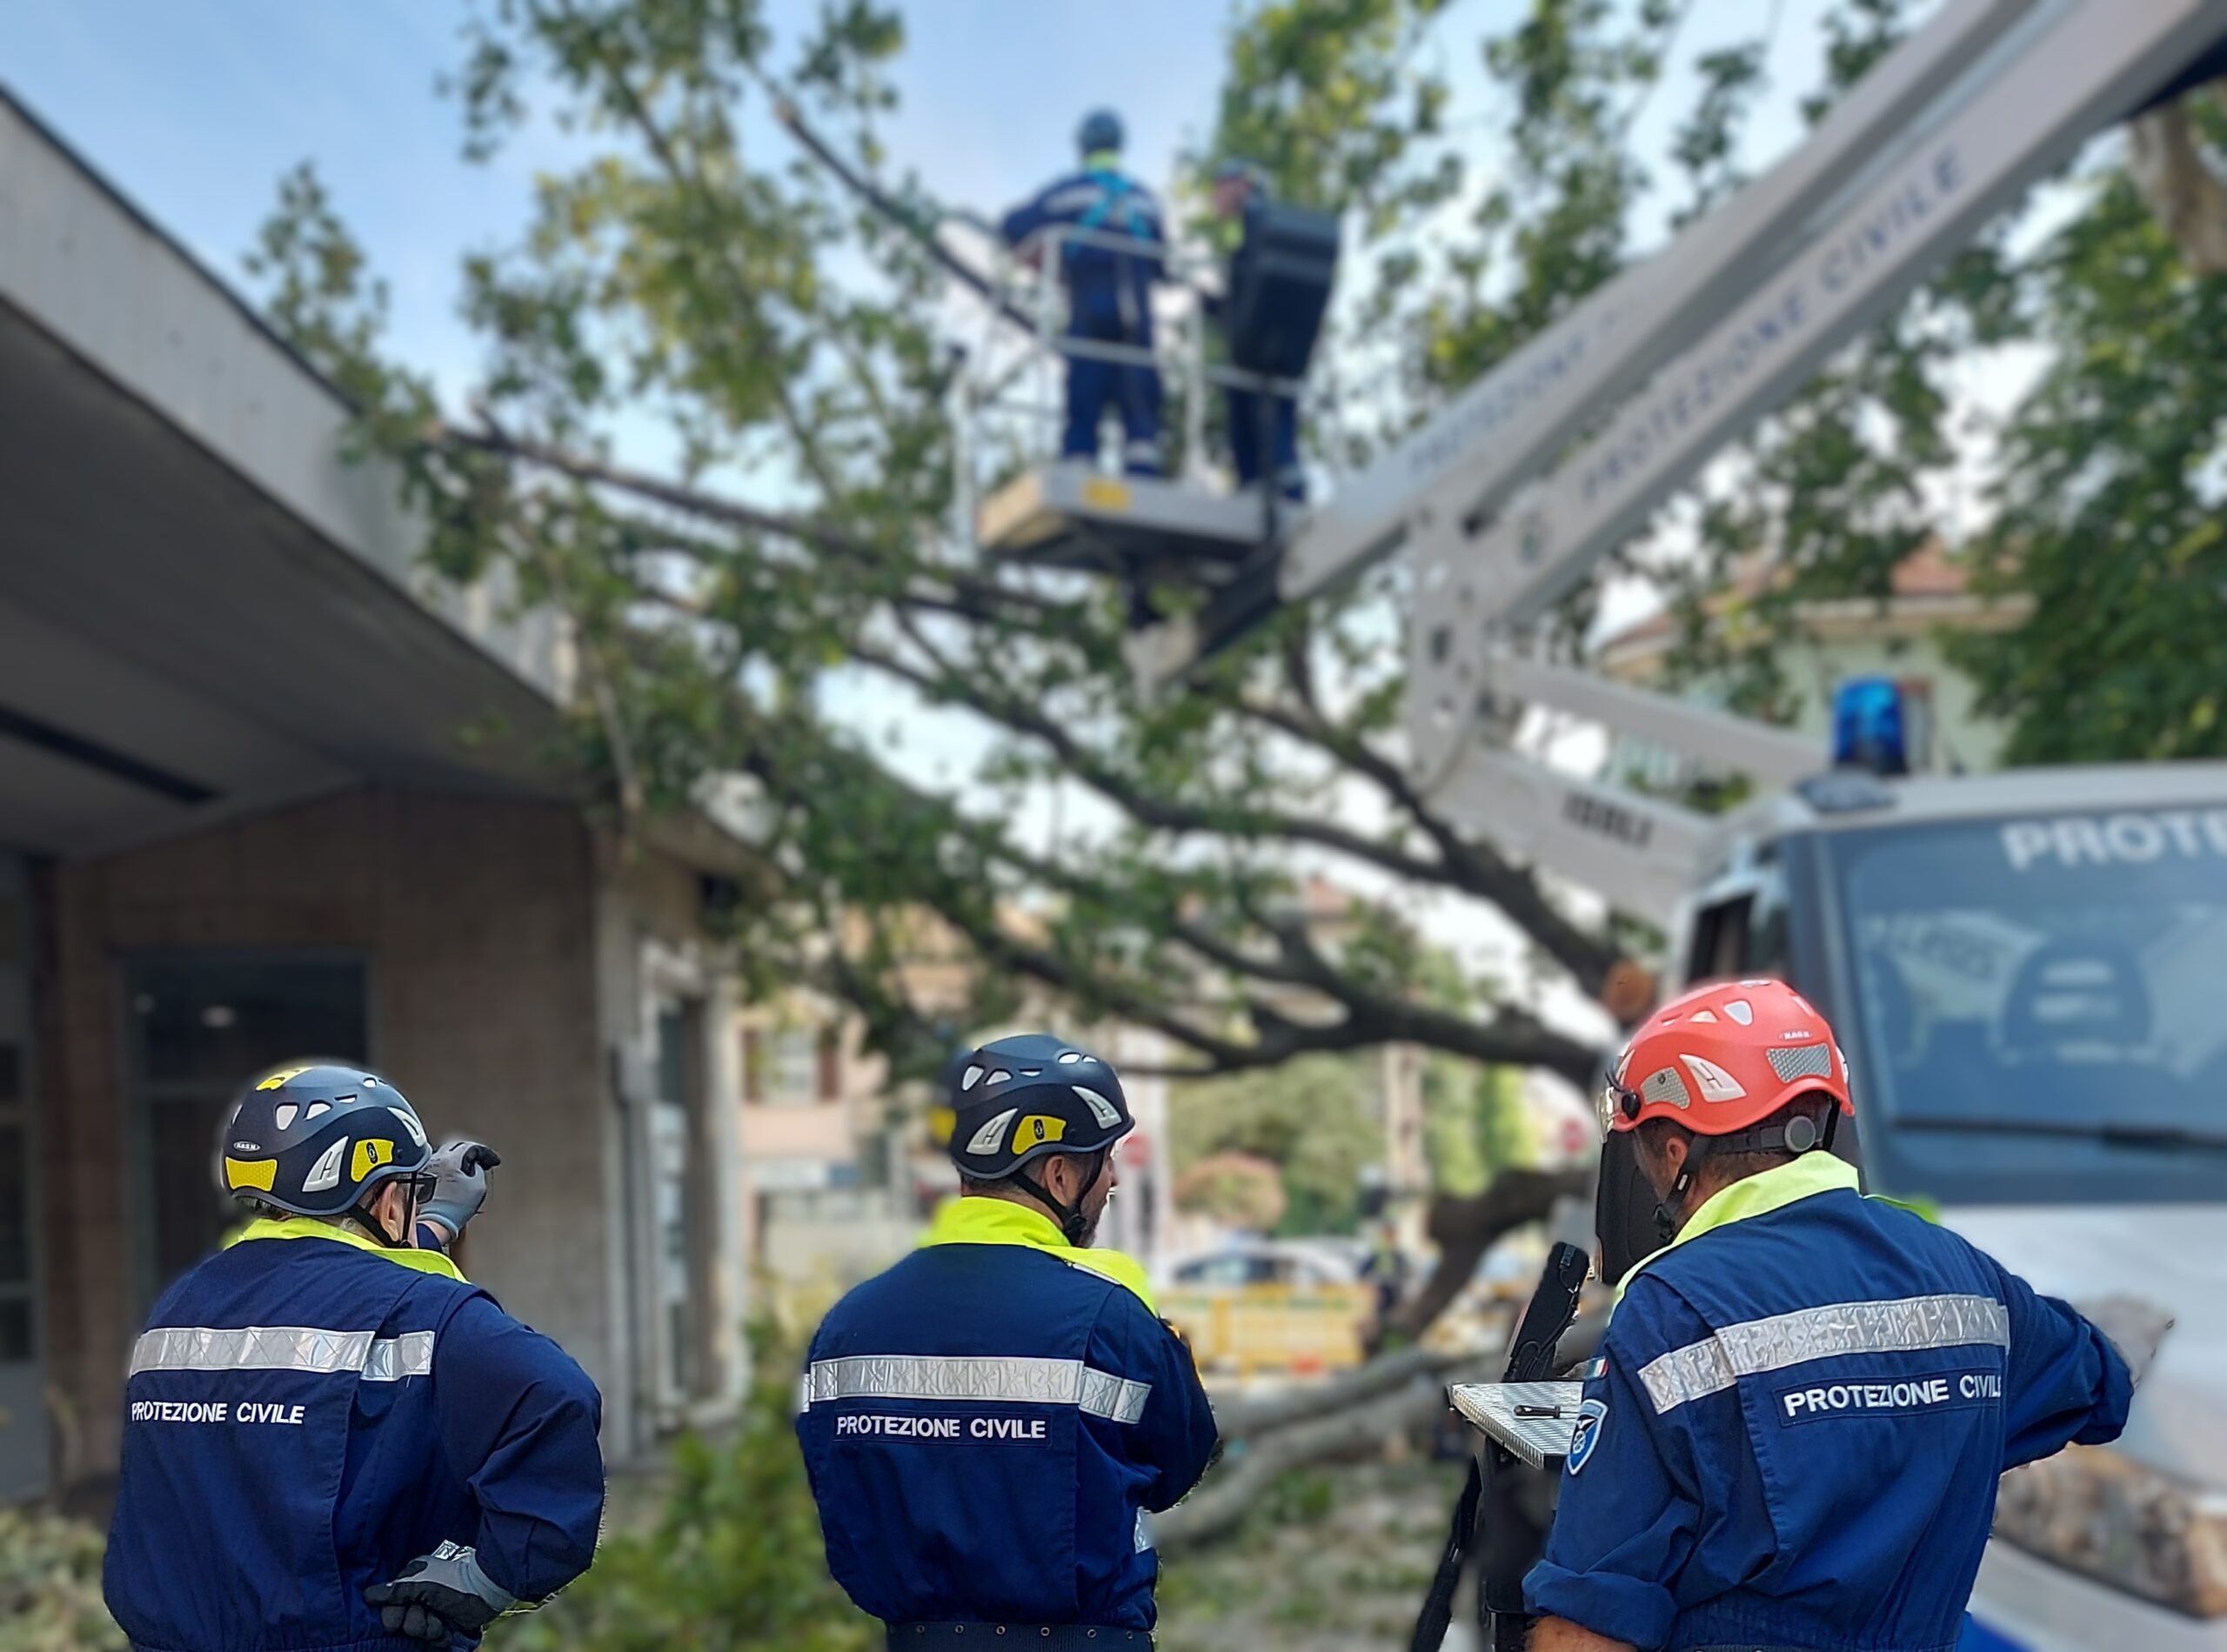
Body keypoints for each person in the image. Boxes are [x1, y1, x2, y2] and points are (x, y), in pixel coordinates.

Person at [1524, 979, 2149, 1652]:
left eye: (1644, 1145)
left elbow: (1588, 1624)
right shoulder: (1968, 1280)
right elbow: (2101, 1387)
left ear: (1677, 1151)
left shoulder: (1669, 1308)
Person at [105, 1063, 605, 1650]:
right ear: (388, 1198)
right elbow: (557, 1397)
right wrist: (489, 1577)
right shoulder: (435, 1317)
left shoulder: (180, 1306)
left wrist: (434, 1224)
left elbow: (321, 1284)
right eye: (410, 1191)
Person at [798, 1033, 1219, 1646]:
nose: (1111, 1185)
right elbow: (1179, 1464)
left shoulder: (845, 1327)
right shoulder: (1110, 1313)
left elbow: (839, 1487)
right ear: (1058, 1172)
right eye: (1105, 1163)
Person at [1002, 110, 1168, 477]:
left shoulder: (1069, 193)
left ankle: (1080, 463)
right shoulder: (1146, 202)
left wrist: (1042, 258)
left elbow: (1013, 224)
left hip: (1090, 308)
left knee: (1084, 392)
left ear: (1083, 147)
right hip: (1136, 320)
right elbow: (1163, 265)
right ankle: (1144, 470)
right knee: (1140, 402)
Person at [1207, 158, 1307, 503]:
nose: (1215, 196)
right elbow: (1244, 299)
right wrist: (1208, 303)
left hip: (1261, 351)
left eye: (1221, 186)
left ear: (1242, 185)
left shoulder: (1260, 224)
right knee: (1261, 419)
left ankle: (1274, 490)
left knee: (1264, 421)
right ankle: (1267, 487)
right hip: (1273, 347)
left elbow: (1254, 294)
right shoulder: (1262, 233)